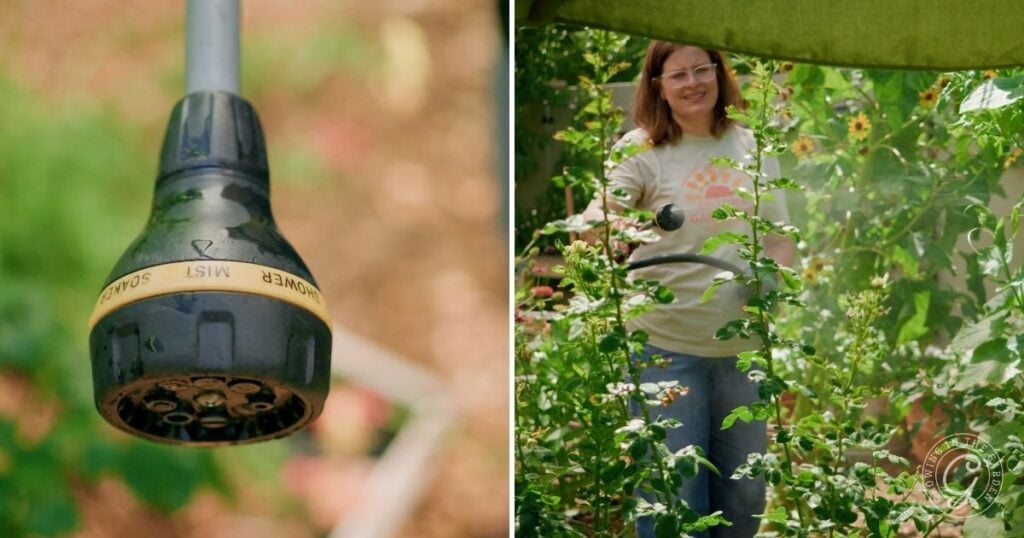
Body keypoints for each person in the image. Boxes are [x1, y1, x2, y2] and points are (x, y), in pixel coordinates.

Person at [581, 41, 794, 538]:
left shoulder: (752, 145)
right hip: (666, 349)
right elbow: (598, 220)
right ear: (658, 86)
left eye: (703, 69)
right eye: (678, 75)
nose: (693, 83)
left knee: (745, 493)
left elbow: (780, 238)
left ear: (720, 75)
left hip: (742, 350)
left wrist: (773, 286)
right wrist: (603, 224)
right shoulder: (641, 149)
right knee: (673, 493)